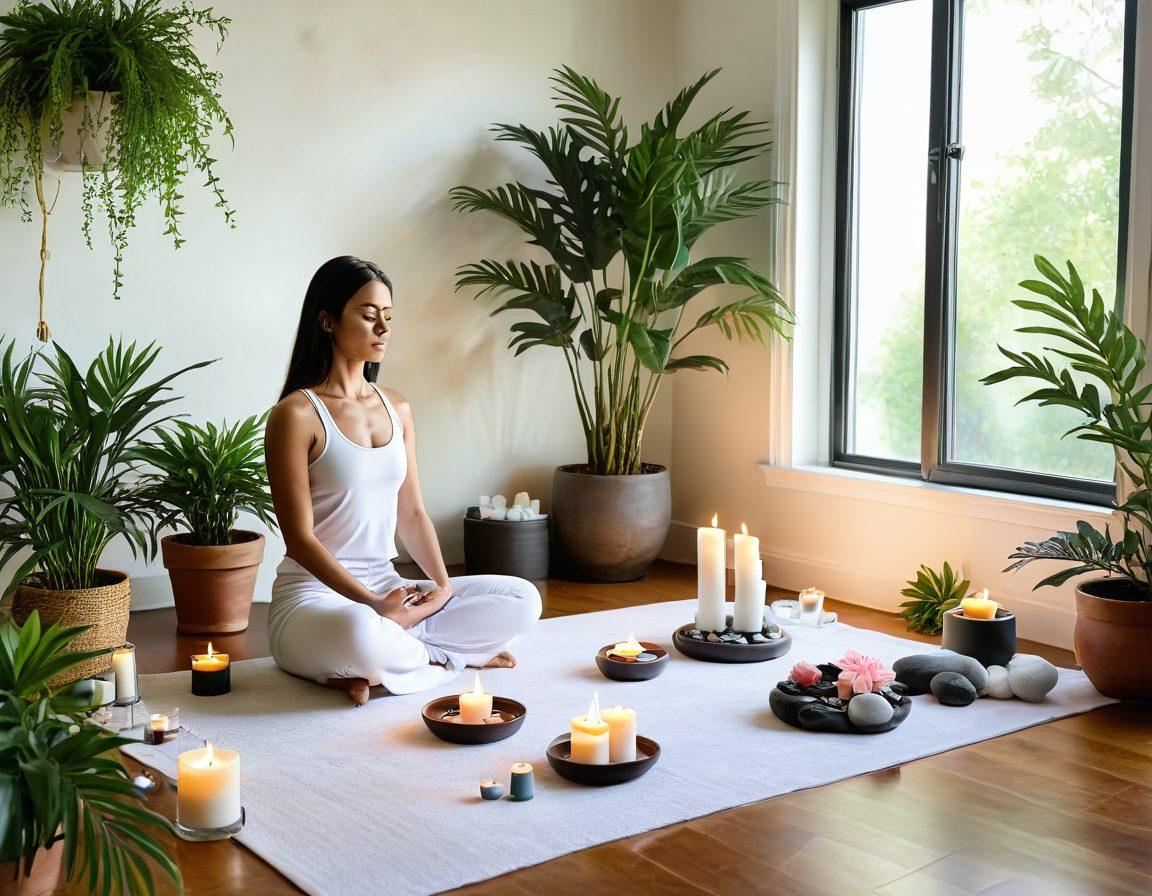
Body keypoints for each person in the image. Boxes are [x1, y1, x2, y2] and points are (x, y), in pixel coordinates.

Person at [264, 256, 541, 705]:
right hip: (316, 601)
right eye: (369, 316)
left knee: (522, 598)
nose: (383, 329)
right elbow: (299, 540)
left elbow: (412, 511)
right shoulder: (295, 415)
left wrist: (442, 587)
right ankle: (446, 657)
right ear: (327, 320)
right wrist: (374, 607)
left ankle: (381, 666)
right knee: (360, 632)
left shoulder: (398, 407)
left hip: (393, 597)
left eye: (388, 318)